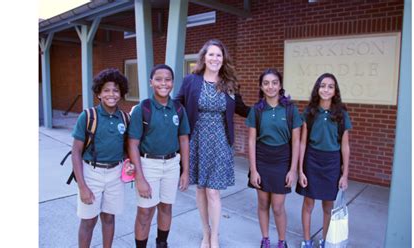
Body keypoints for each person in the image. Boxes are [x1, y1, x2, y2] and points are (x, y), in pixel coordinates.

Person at [175, 39, 249, 248]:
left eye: (219, 55)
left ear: (223, 58)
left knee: (213, 191)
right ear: (204, 57)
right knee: (201, 189)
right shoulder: (191, 81)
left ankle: (214, 236)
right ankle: (205, 233)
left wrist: (268, 111)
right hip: (197, 140)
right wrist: (153, 108)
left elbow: (242, 109)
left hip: (220, 141)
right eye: (211, 54)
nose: (215, 58)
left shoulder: (230, 83)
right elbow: (176, 103)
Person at [127, 64, 190, 248]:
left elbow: (184, 140)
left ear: (173, 82)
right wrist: (139, 178)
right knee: (145, 212)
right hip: (148, 165)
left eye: (168, 79)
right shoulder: (143, 108)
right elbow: (133, 144)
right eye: (159, 79)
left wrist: (185, 171)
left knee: (166, 207)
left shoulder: (178, 109)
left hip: (171, 164)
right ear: (151, 82)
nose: (164, 83)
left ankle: (162, 243)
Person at [71, 68, 131, 248]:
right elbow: (75, 152)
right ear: (98, 93)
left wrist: (129, 164)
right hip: (91, 173)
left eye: (115, 90)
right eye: (106, 90)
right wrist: (82, 186)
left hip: (115, 173)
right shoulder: (88, 116)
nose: (111, 94)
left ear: (121, 93)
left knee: (109, 218)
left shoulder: (125, 118)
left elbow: (127, 148)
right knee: (88, 221)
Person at [246, 69, 302, 248]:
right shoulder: (256, 110)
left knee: (277, 206)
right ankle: (265, 239)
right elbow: (251, 141)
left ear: (280, 85)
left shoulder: (291, 109)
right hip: (262, 159)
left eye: (274, 82)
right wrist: (253, 170)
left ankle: (282, 241)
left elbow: (296, 141)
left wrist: (293, 170)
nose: (270, 86)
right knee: (263, 202)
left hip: (282, 160)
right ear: (261, 87)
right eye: (266, 83)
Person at [296, 73, 352, 248]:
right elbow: (302, 142)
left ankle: (325, 241)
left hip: (332, 163)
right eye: (322, 85)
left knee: (328, 206)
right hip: (312, 160)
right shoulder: (309, 112)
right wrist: (300, 170)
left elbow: (345, 146)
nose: (326, 89)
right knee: (308, 204)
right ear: (317, 89)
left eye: (330, 86)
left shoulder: (341, 114)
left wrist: (345, 174)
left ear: (335, 91)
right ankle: (306, 240)